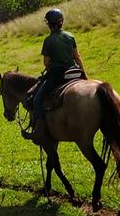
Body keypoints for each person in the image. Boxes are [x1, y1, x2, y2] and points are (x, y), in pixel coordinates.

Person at [24, 8, 86, 141]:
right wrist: (84, 75)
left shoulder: (48, 40)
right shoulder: (70, 36)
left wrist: (52, 65)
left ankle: (39, 128)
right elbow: (77, 57)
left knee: (37, 99)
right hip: (73, 73)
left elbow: (46, 63)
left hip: (57, 76)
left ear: (49, 24)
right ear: (61, 22)